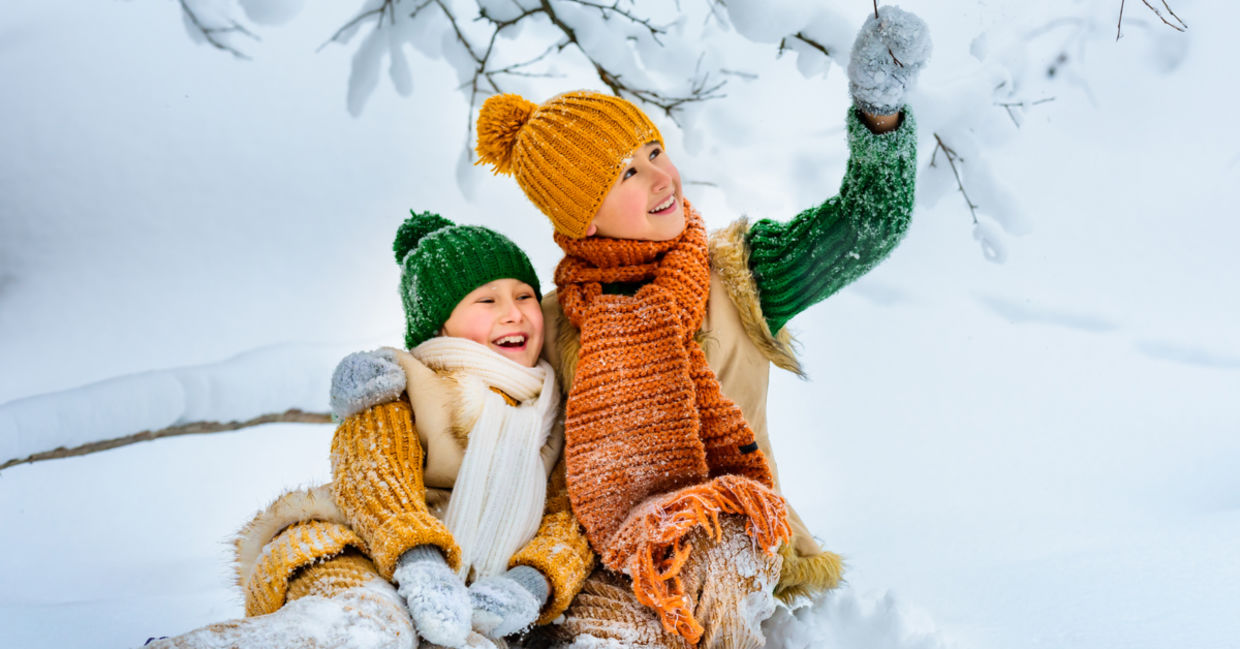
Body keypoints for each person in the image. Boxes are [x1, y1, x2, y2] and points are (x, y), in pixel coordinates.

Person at [471, 7, 931, 648]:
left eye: (655, 151)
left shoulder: (741, 272)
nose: (663, 178)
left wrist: (881, 114)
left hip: (737, 537)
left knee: (701, 571)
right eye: (627, 172)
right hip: (613, 554)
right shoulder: (553, 323)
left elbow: (866, 225)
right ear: (581, 217)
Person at [144, 212, 594, 649]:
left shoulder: (556, 407)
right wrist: (419, 561)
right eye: (487, 300)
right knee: (367, 624)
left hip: (469, 585)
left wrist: (530, 583)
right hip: (353, 545)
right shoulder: (402, 380)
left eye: (524, 296)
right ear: (441, 323)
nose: (513, 313)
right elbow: (375, 471)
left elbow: (570, 511)